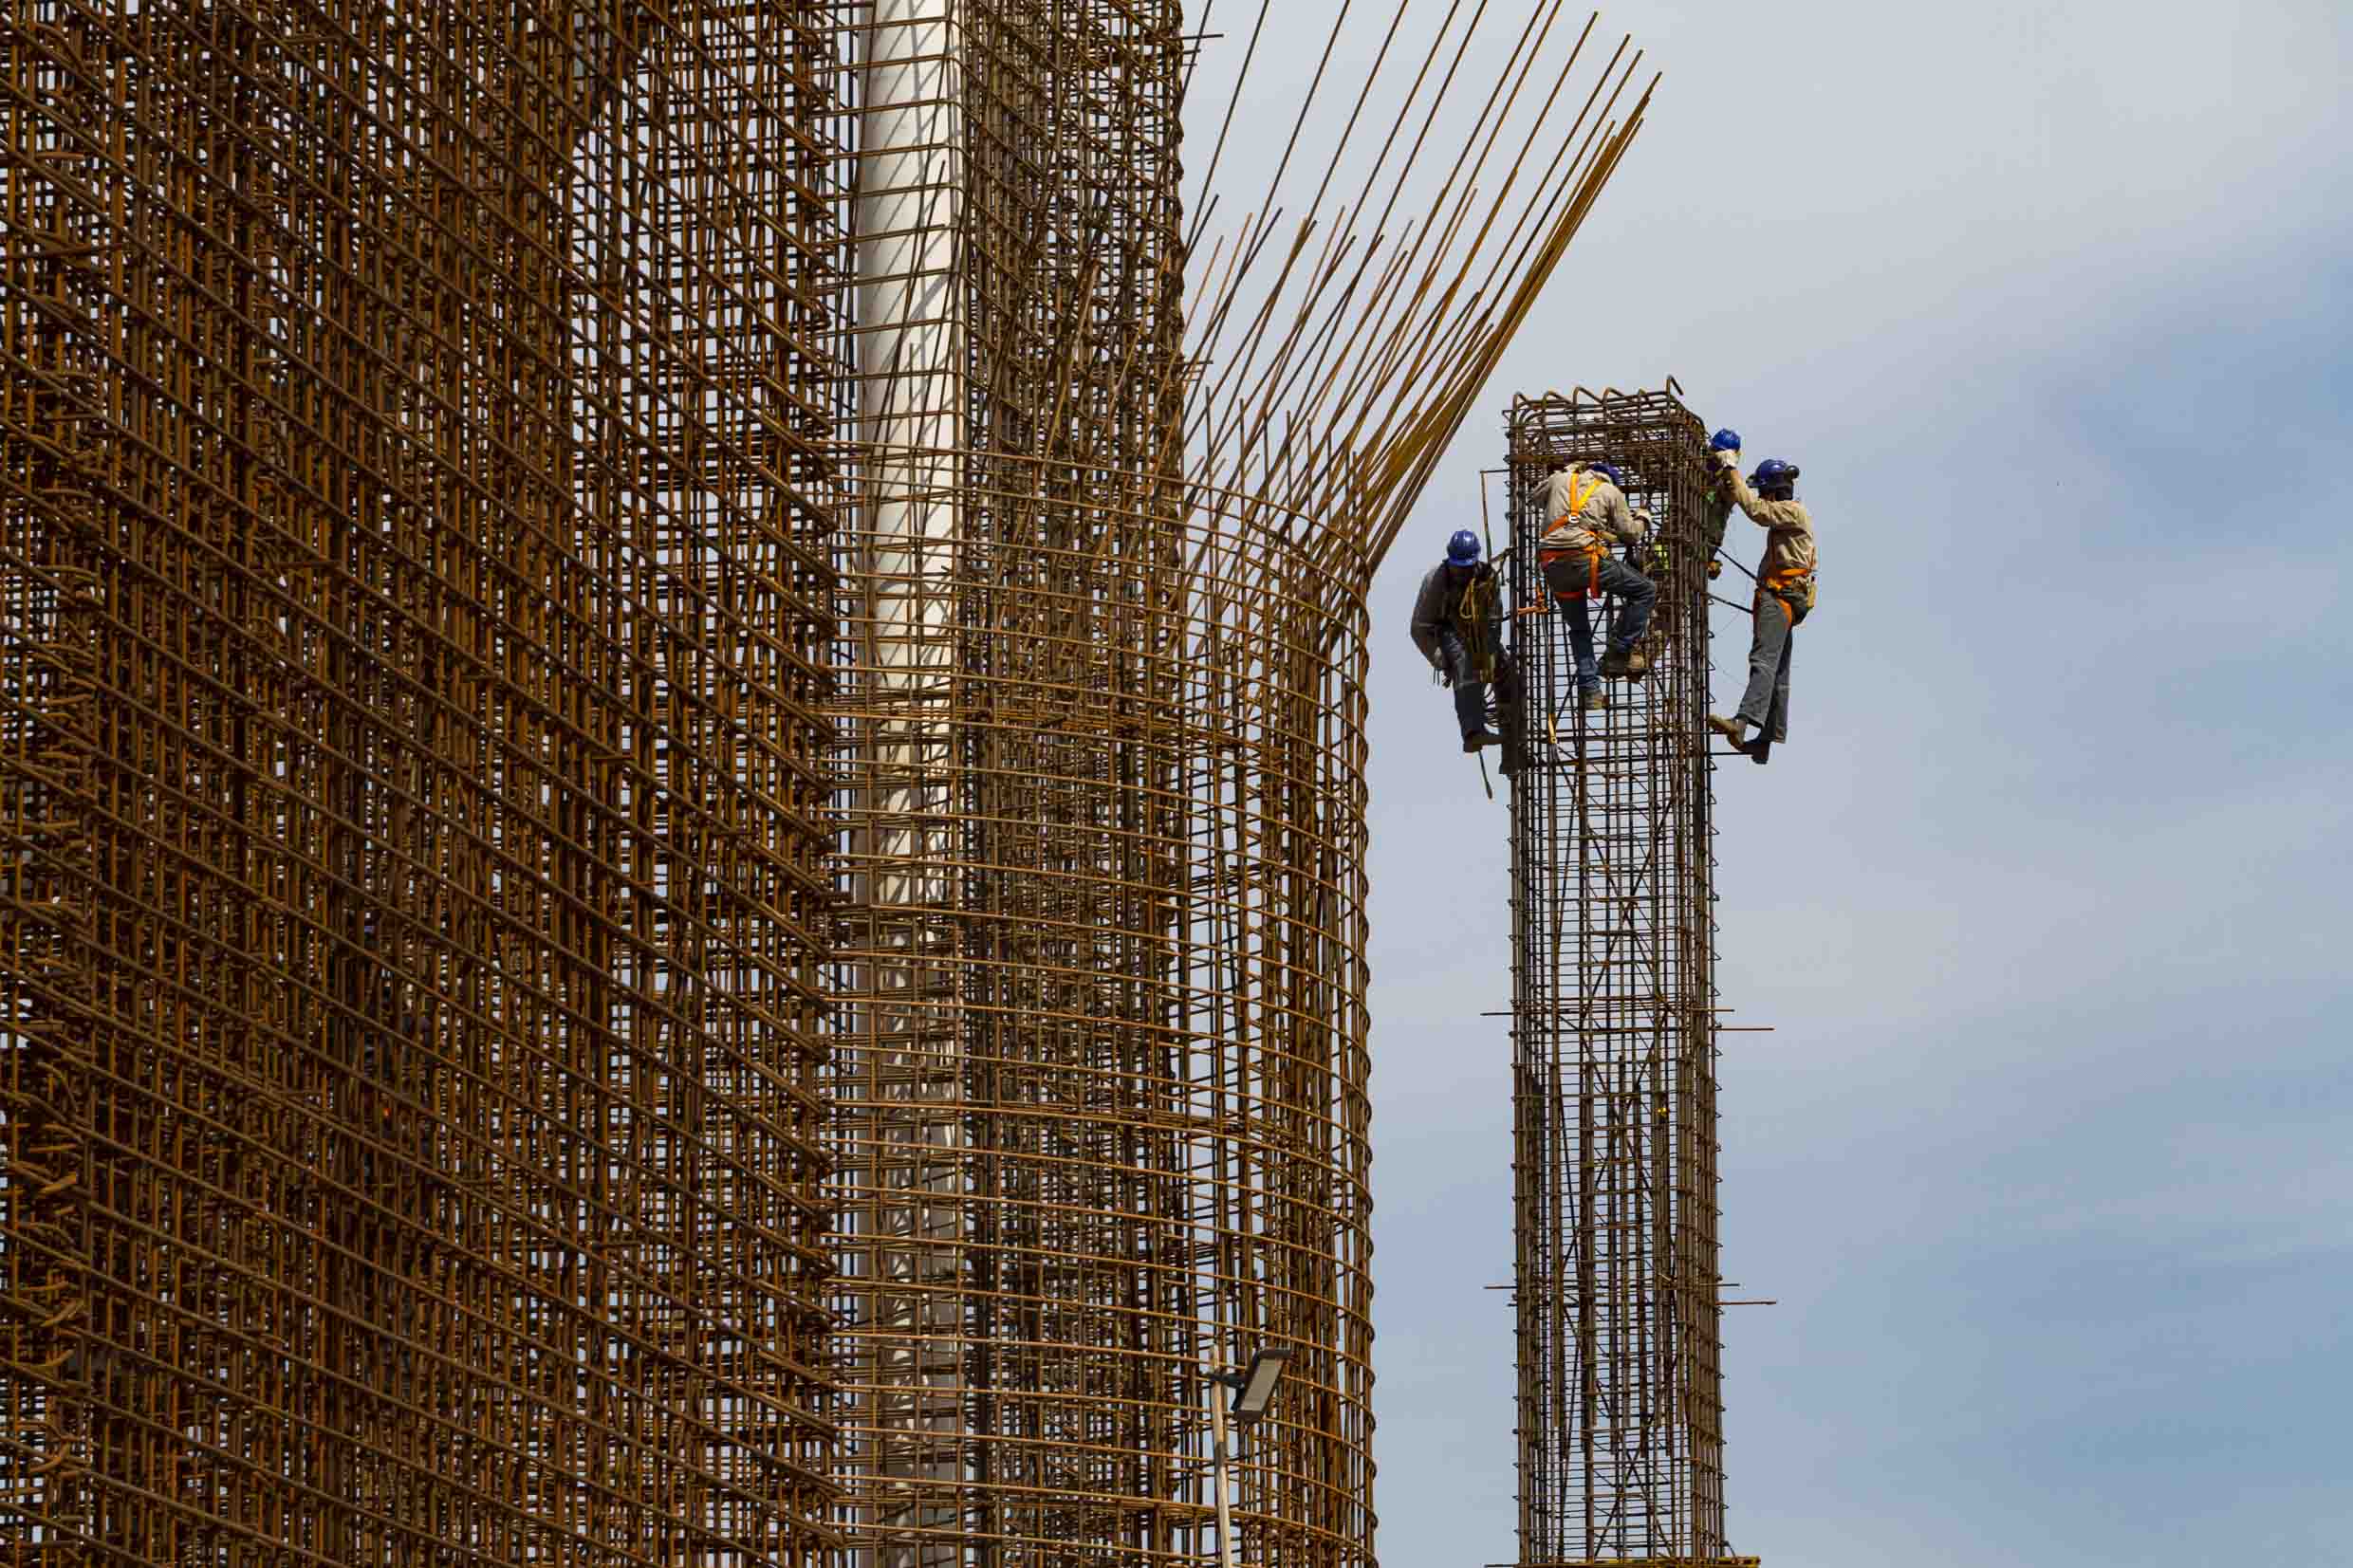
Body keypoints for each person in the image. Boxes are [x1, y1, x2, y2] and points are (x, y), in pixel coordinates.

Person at [1706, 445, 1816, 766]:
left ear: (1773, 490)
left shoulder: (1791, 511)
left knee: (1763, 661)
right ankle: (1765, 740)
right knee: (1779, 671)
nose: (1763, 496)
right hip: (1789, 597)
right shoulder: (1794, 514)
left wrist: (1730, 470)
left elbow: (1755, 511)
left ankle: (1740, 724)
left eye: (1764, 491)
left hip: (1780, 596)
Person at [1537, 459, 1657, 708]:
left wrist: (1563, 473)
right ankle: (1620, 650)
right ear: (1611, 479)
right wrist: (1643, 518)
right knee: (1645, 590)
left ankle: (1591, 693)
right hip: (1585, 561)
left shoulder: (1560, 479)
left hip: (1552, 565)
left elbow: (1535, 499)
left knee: (1579, 630)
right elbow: (1630, 534)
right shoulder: (1611, 492)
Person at [1410, 528, 1527, 774]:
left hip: (1481, 632)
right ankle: (1473, 732)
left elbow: (1494, 620)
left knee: (1511, 681)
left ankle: (1512, 752)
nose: (1462, 572)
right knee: (1465, 665)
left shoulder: (1486, 576)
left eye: (1466, 566)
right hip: (1447, 631)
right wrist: (1440, 658)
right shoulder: (1436, 581)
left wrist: (1491, 656)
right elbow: (1419, 629)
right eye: (1457, 567)